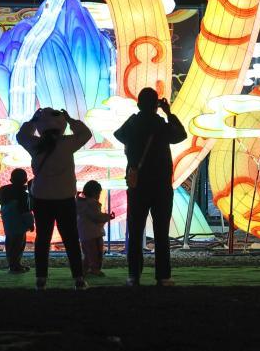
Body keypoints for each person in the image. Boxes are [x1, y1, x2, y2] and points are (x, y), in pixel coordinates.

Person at [115, 87, 187, 287]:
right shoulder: (162, 125)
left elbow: (118, 134)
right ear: (157, 105)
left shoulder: (132, 124)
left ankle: (133, 275)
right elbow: (181, 135)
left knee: (135, 230)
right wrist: (169, 113)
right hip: (161, 185)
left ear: (138, 104)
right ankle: (163, 276)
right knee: (161, 232)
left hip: (137, 185)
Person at [16, 107, 92, 290]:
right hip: (65, 198)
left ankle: (41, 279)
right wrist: (70, 119)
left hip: (42, 198)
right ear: (61, 127)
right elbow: (85, 133)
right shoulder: (67, 143)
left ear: (41, 127)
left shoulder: (35, 145)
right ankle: (78, 278)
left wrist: (33, 121)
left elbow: (21, 135)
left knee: (43, 238)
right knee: (71, 239)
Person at [76, 180, 115, 277]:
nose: (99, 195)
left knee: (88, 254)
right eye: (99, 193)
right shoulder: (92, 204)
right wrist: (108, 217)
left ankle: (83, 270)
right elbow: (97, 217)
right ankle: (95, 269)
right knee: (97, 253)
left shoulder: (80, 203)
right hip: (94, 233)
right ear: (94, 193)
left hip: (85, 234)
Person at [0, 168, 33, 273]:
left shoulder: (3, 191)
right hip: (20, 224)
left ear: (11, 179)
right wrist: (31, 224)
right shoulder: (23, 195)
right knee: (18, 245)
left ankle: (12, 264)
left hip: (8, 222)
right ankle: (16, 266)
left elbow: (2, 203)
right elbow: (26, 212)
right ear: (25, 180)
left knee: (10, 244)